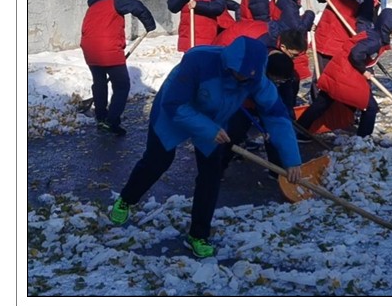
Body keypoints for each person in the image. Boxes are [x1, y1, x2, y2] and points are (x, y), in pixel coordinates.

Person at [108, 36, 302, 259]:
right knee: (157, 162)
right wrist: (207, 128)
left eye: (248, 76)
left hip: (214, 120)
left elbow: (276, 116)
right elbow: (174, 103)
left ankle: (198, 235)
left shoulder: (255, 77)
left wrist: (291, 159)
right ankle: (126, 199)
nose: (242, 79)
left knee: (211, 175)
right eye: (238, 73)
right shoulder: (199, 61)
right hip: (174, 112)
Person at [296, 9, 392, 138]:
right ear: (386, 27)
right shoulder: (375, 40)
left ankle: (299, 129)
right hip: (346, 75)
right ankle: (363, 140)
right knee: (370, 107)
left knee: (322, 102)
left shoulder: (372, 35)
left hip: (338, 70)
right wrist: (364, 71)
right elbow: (356, 54)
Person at [222, 32, 307, 180]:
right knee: (233, 133)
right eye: (276, 81)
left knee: (274, 133)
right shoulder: (253, 70)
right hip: (242, 104)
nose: (278, 84)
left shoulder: (279, 74)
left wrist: (292, 161)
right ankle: (217, 167)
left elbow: (279, 117)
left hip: (263, 102)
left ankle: (279, 171)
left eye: (280, 82)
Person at [80, 0, 157, 135]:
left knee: (99, 83)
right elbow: (137, 6)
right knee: (122, 86)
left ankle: (101, 118)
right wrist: (149, 24)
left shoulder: (92, 6)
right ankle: (111, 121)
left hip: (89, 49)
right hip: (109, 50)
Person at [312, 0, 374, 73]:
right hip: (324, 33)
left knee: (333, 75)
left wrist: (359, 38)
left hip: (342, 39)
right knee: (319, 75)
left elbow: (364, 19)